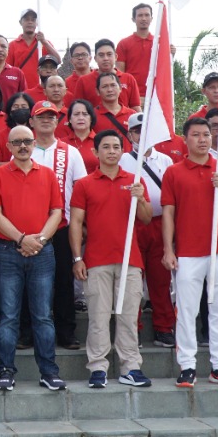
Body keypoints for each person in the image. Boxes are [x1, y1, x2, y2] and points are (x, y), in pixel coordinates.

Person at [160, 117, 218, 389]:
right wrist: (168, 248)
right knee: (186, 310)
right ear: (186, 139)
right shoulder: (174, 172)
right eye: (196, 135)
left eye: (206, 134)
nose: (203, 139)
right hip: (188, 251)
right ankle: (187, 365)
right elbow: (169, 213)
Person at [0, 125, 67, 391]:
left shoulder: (47, 175)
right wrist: (23, 240)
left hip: (42, 252)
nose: (22, 146)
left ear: (34, 144)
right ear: (8, 147)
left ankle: (49, 372)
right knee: (9, 316)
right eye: (16, 142)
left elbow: (56, 212)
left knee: (43, 315)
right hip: (8, 251)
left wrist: (39, 241)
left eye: (27, 141)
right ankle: (6, 371)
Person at [71, 129, 152, 389]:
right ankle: (98, 367)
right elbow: (76, 222)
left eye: (116, 147)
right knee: (98, 315)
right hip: (96, 260)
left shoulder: (135, 180)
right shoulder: (84, 184)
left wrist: (140, 198)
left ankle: (131, 367)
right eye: (106, 147)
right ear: (96, 152)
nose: (112, 151)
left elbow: (147, 218)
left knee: (128, 316)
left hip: (130, 259)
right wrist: (76, 258)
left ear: (122, 150)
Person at [25, 100, 87, 350]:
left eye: (52, 116)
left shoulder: (69, 152)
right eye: (41, 116)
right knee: (28, 281)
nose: (47, 120)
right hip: (29, 228)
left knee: (63, 281)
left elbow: (82, 191)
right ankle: (27, 332)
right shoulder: (23, 148)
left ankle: (66, 332)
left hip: (62, 227)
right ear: (31, 122)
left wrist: (83, 225)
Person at [120, 113, 176, 348]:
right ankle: (133, 327)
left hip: (160, 222)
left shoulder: (165, 161)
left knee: (160, 278)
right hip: (132, 224)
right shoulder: (123, 159)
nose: (141, 135)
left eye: (146, 131)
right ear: (130, 134)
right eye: (136, 131)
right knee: (133, 280)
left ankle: (164, 327)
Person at [70, 40, 141, 110]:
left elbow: (135, 107)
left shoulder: (128, 79)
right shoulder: (83, 81)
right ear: (95, 58)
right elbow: (78, 109)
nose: (105, 58)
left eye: (109, 54)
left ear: (116, 57)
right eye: (101, 55)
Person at [8, 8, 60, 88]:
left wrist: (44, 41)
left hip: (42, 89)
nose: (30, 22)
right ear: (20, 22)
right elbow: (8, 69)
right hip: (20, 89)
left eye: (33, 20)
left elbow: (58, 60)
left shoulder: (44, 43)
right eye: (26, 19)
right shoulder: (12, 45)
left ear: (37, 23)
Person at [115, 3, 155, 92]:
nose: (144, 18)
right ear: (133, 19)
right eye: (140, 15)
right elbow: (119, 74)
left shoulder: (159, 43)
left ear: (151, 18)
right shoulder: (123, 43)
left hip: (155, 96)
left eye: (147, 15)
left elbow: (165, 68)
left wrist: (171, 54)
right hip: (131, 94)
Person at [0, 92, 34, 165]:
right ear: (10, 111)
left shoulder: (37, 133)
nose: (20, 109)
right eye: (16, 107)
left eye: (24, 107)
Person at [94, 72, 135, 144]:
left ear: (120, 88)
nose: (109, 90)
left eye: (113, 85)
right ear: (97, 91)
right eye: (105, 86)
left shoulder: (132, 115)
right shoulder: (92, 116)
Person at [58, 99, 98, 168]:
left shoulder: (100, 142)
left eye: (85, 114)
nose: (80, 118)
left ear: (91, 118)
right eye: (76, 114)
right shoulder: (61, 143)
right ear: (70, 119)